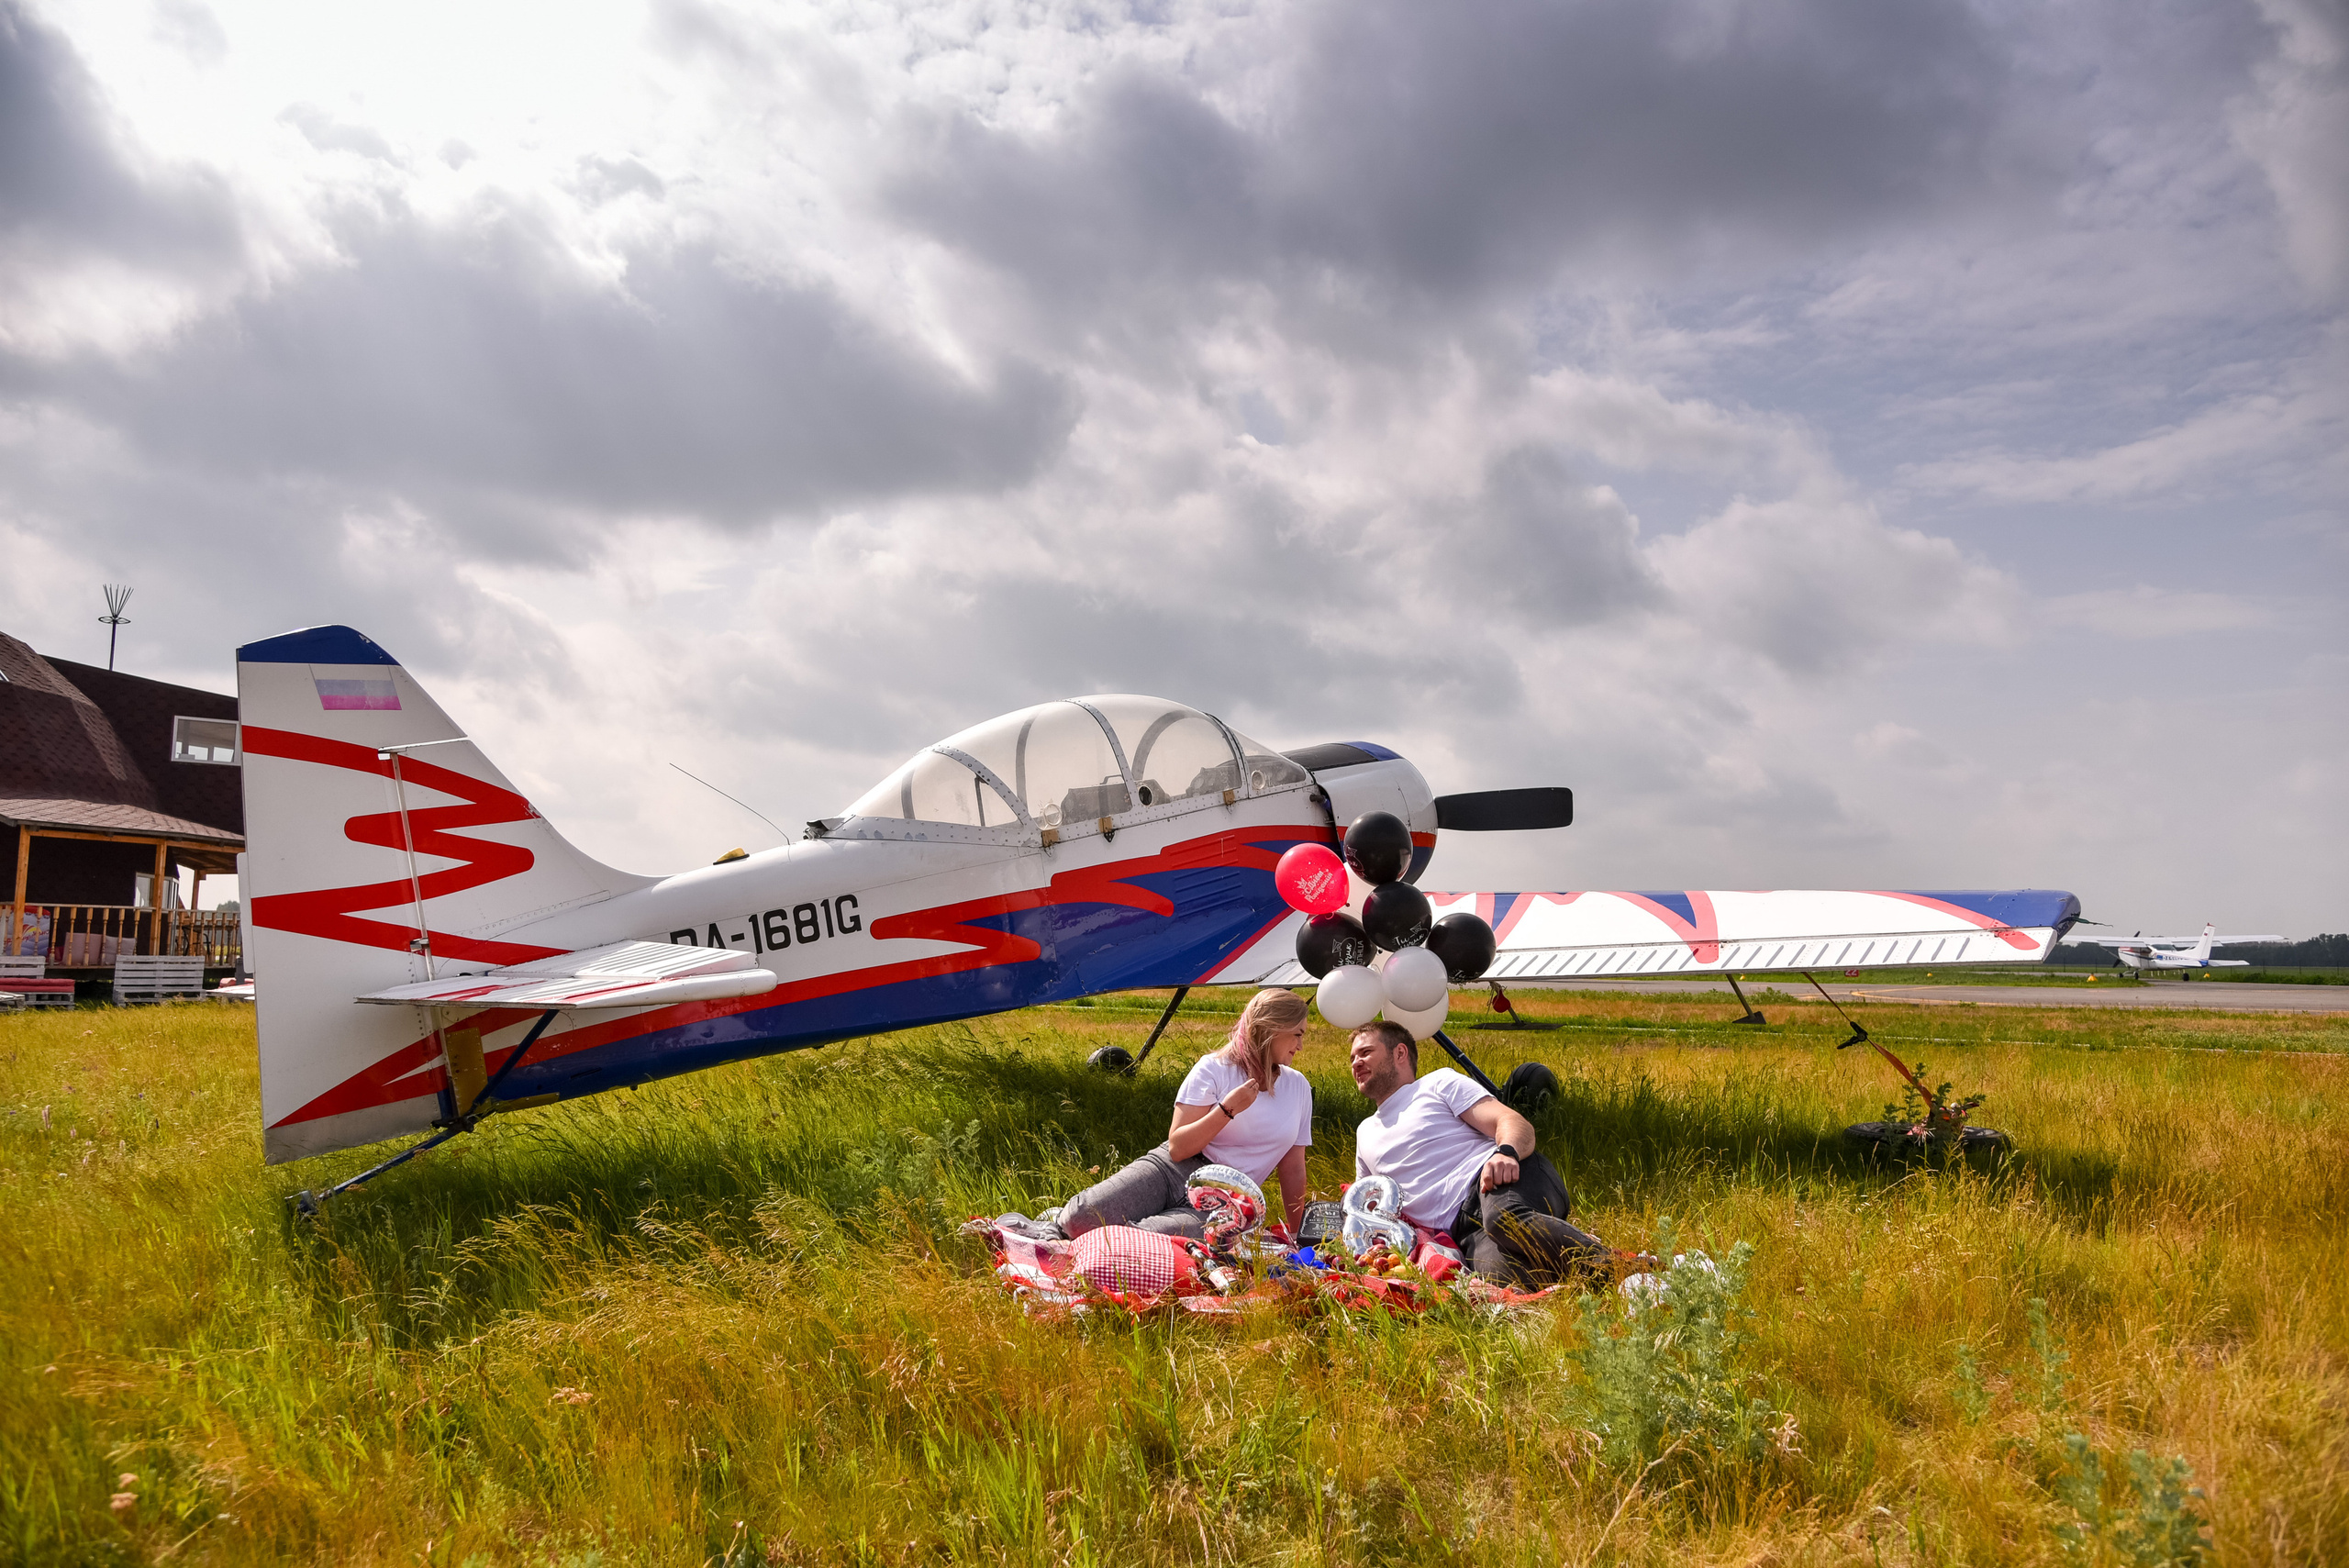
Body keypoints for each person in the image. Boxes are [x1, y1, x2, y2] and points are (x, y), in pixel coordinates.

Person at [1347, 1019, 1606, 1288]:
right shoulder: (1364, 1131)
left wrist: (1506, 1152)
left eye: (1365, 1053)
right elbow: (1363, 1202)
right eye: (1352, 1058)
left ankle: (1621, 1267)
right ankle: (1582, 1263)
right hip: (1464, 1231)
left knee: (1504, 1219)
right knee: (1505, 1280)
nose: (1356, 1063)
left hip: (1499, 1182)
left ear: (1399, 1053)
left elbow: (1515, 1123)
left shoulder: (1436, 1084)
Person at [1058, 988, 1315, 1239]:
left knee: (1137, 1239)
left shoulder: (1298, 1087)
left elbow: (1292, 1168)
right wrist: (1228, 1110)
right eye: (1297, 1034)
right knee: (1077, 1219)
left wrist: (1297, 1235)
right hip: (1174, 1170)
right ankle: (1054, 1231)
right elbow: (1178, 1148)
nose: (1301, 1046)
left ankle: (1082, 1250)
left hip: (1228, 1201)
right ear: (1270, 1029)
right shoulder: (1214, 1068)